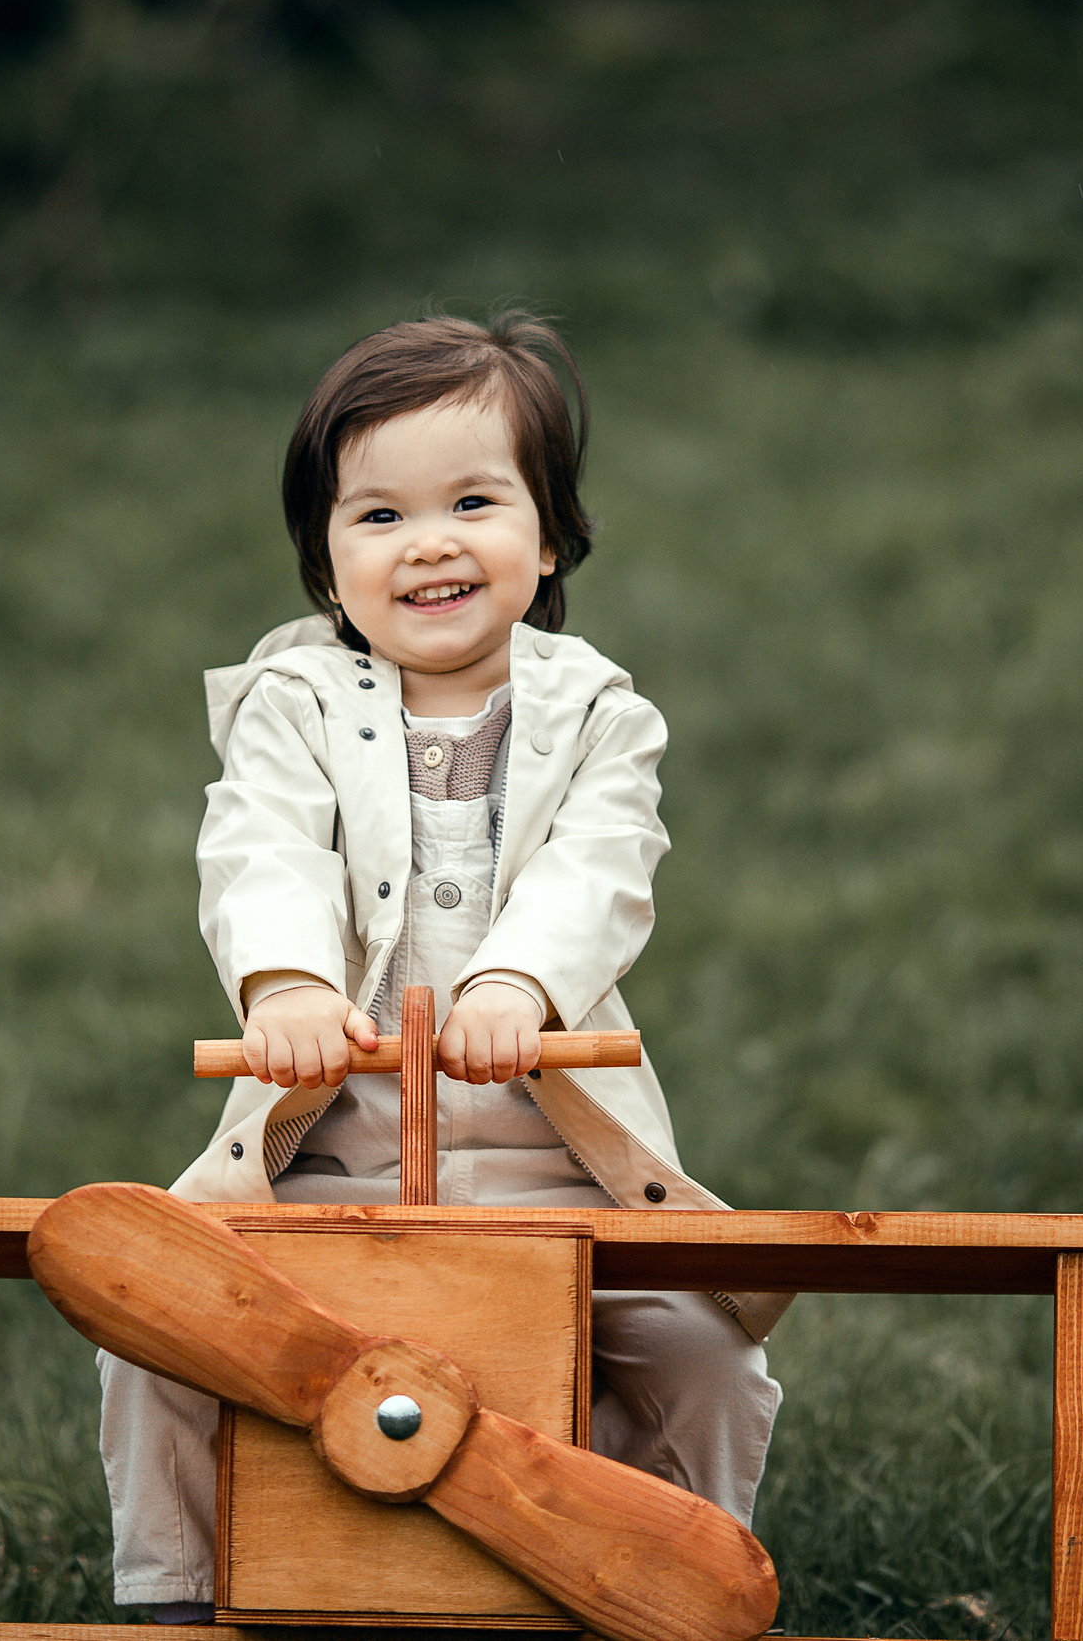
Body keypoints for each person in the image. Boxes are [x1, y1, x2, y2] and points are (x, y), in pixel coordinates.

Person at [97, 311, 791, 1624]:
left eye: (473, 501)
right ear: (325, 558)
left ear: (549, 536)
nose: (429, 543)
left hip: (555, 1172)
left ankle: (654, 1578)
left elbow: (603, 866)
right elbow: (260, 854)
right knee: (163, 1329)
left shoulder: (597, 714)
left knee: (704, 1353)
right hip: (331, 1167)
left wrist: (518, 986)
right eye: (378, 516)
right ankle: (173, 1589)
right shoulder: (288, 707)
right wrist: (291, 988)